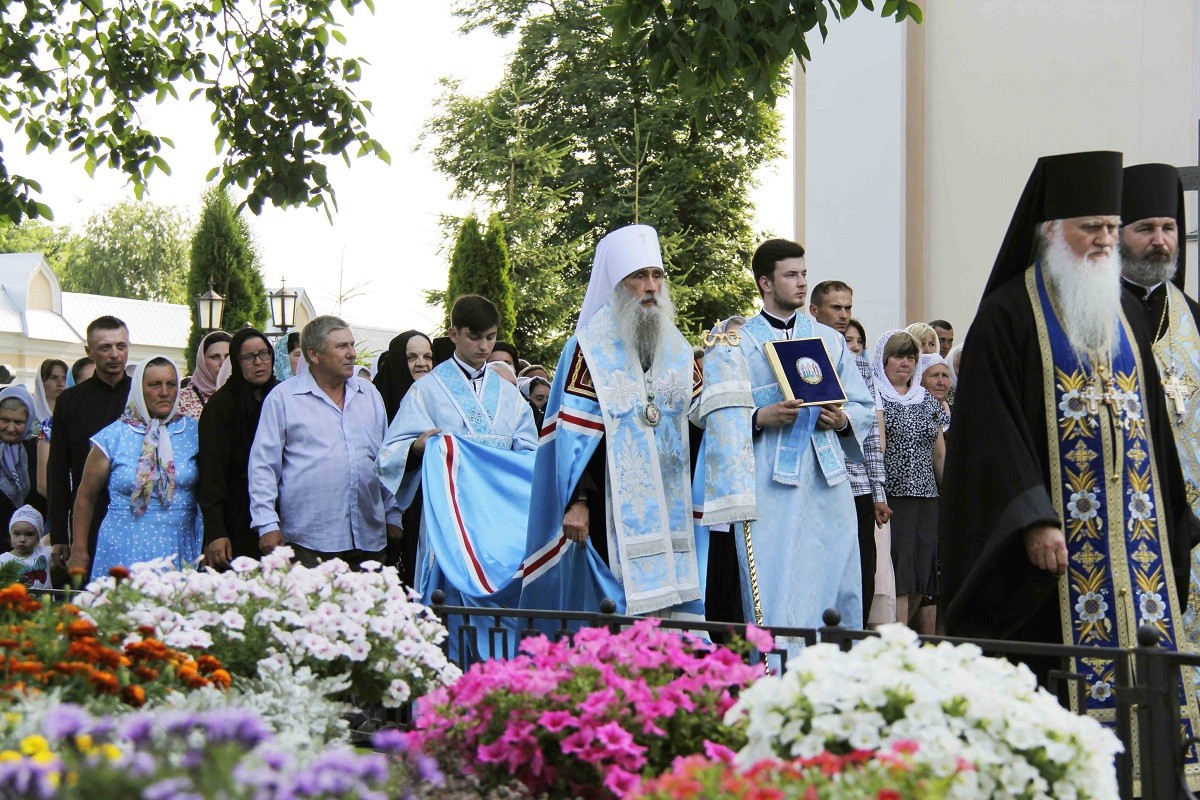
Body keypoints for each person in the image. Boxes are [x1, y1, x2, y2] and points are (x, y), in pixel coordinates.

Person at [940, 151, 1200, 731]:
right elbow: (990, 433)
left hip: (1136, 541)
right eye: (1092, 228)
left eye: (1111, 227)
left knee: (1145, 667)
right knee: (1060, 689)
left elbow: (1156, 430)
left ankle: (1147, 766)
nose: (1105, 240)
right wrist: (1033, 517)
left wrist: (1177, 517)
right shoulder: (1007, 316)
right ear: (1052, 231)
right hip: (1055, 551)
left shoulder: (1126, 313)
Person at [521, 225, 704, 620]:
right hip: (608, 508)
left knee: (672, 615)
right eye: (639, 276)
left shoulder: (677, 348)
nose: (651, 287)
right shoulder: (586, 350)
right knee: (615, 612)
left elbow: (698, 424)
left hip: (673, 508)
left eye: (656, 275)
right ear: (618, 286)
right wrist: (579, 502)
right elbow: (575, 436)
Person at [698, 238, 875, 633]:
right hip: (768, 481)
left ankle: (832, 661)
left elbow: (863, 405)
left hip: (827, 481)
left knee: (834, 569)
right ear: (765, 283)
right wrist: (761, 416)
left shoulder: (831, 341)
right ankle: (779, 659)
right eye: (791, 275)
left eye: (804, 274)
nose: (801, 283)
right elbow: (715, 418)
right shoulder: (736, 343)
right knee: (777, 575)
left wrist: (841, 420)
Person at [377, 296, 538, 604]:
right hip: (449, 516)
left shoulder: (509, 394)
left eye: (490, 337)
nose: (484, 346)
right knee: (449, 599)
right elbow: (388, 456)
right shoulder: (426, 391)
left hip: (501, 517)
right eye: (474, 337)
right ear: (454, 334)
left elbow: (530, 454)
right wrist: (418, 447)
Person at [250, 316, 401, 570]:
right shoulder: (284, 398)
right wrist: (266, 524)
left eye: (352, 345)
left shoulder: (369, 394)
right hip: (309, 542)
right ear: (314, 354)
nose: (352, 353)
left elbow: (385, 459)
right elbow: (263, 466)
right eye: (341, 346)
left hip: (369, 540)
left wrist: (393, 514)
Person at [67, 357, 201, 581]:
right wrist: (79, 549)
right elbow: (86, 496)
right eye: (155, 385)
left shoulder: (194, 433)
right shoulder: (113, 436)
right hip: (124, 544)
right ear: (139, 388)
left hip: (179, 542)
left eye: (171, 384)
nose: (164, 392)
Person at [811, 279, 888, 623]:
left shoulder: (860, 365)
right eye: (835, 308)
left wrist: (878, 492)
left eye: (848, 308)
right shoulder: (799, 353)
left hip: (856, 482)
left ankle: (853, 636)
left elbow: (870, 431)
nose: (843, 315)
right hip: (814, 480)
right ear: (815, 310)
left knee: (861, 567)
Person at [874, 331, 947, 630]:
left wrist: (949, 493)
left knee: (921, 575)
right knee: (900, 575)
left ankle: (902, 634)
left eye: (910, 357)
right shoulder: (876, 396)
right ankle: (898, 640)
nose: (905, 363)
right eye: (897, 356)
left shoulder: (927, 399)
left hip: (927, 498)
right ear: (884, 361)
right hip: (894, 498)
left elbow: (939, 453)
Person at [47, 317, 132, 572]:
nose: (115, 354)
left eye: (121, 346)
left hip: (135, 513)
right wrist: (60, 534)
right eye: (105, 347)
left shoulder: (141, 397)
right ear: (89, 352)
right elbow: (58, 469)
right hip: (89, 516)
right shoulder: (70, 401)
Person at [198, 329, 280, 569]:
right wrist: (216, 531)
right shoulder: (222, 405)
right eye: (248, 357)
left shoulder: (283, 397)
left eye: (264, 354)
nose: (259, 362)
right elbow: (212, 472)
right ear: (236, 362)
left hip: (281, 513)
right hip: (237, 514)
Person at [0, 385, 46, 552]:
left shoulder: (39, 448)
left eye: (18, 422)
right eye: (5, 420)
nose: (11, 428)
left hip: (32, 545)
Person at [374, 330, 435, 425]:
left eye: (427, 357)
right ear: (398, 361)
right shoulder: (375, 400)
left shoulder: (441, 397)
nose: (421, 363)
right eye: (412, 357)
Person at [32, 359, 68, 499]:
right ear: (41, 382)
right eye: (53, 378)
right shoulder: (30, 418)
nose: (60, 383)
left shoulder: (72, 417)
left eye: (64, 378)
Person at [178, 331, 231, 419]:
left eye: (228, 357)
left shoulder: (245, 397)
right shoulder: (181, 400)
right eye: (214, 357)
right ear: (202, 362)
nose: (223, 363)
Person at [0, 506, 50, 589]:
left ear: (38, 537)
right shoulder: (2, 560)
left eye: (29, 534)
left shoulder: (47, 553)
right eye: (17, 534)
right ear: (10, 535)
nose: (22, 539)